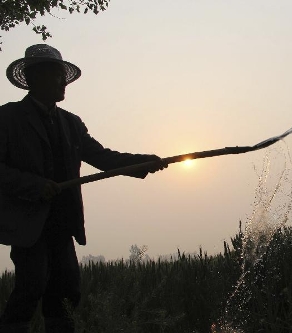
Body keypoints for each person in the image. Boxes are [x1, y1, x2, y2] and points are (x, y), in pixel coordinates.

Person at [0, 44, 167, 333]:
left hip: (63, 223)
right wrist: (36, 185)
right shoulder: (8, 119)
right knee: (31, 286)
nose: (63, 83)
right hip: (28, 226)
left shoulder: (72, 123)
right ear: (35, 78)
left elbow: (103, 158)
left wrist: (143, 163)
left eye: (63, 76)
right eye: (56, 76)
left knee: (66, 292)